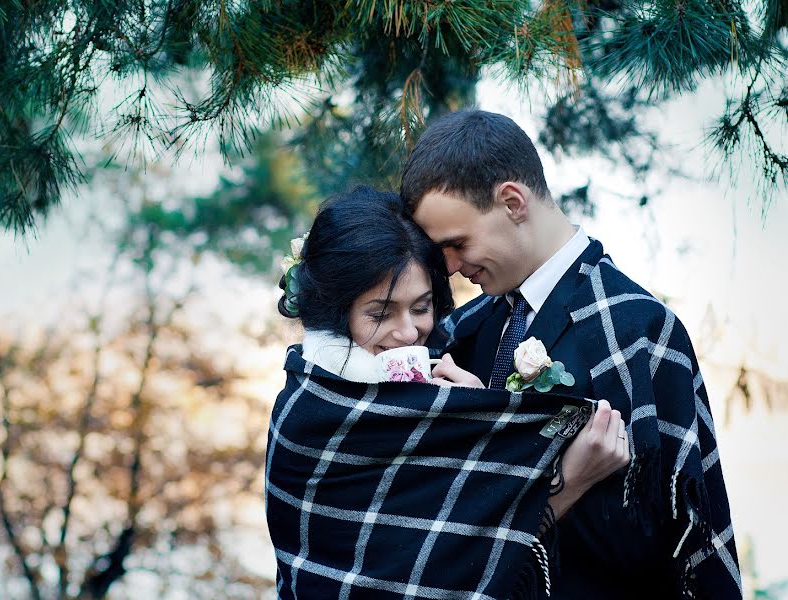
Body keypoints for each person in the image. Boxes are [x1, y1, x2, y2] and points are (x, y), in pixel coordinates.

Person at [400, 109, 740, 599]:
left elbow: (683, 538)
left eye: (456, 245)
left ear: (513, 202)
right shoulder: (460, 335)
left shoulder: (637, 329)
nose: (449, 269)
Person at [266, 186, 629, 599]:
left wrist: (473, 412)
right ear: (335, 311)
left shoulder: (436, 380)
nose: (408, 333)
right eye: (380, 313)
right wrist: (571, 481)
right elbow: (445, 570)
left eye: (421, 307)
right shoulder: (309, 415)